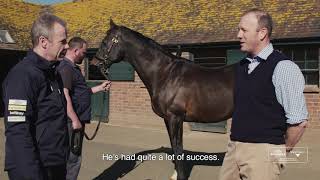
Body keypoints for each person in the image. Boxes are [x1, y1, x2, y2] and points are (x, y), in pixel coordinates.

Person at [219, 8, 308, 180]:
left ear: (262, 33)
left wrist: (282, 151)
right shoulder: (241, 67)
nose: (238, 35)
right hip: (234, 148)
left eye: (244, 30)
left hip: (264, 151)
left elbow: (298, 122)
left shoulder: (283, 67)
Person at [2, 13, 69, 180]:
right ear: (43, 42)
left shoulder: (53, 73)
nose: (67, 46)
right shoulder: (23, 76)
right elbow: (18, 130)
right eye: (62, 41)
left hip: (55, 164)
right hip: (34, 169)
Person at [57, 37, 111, 180]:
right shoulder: (66, 68)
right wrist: (75, 120)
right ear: (75, 50)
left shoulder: (73, 68)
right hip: (71, 123)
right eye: (84, 52)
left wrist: (99, 87)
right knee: (73, 159)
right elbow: (64, 94)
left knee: (74, 158)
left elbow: (81, 93)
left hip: (77, 120)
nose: (85, 55)